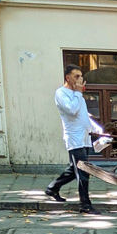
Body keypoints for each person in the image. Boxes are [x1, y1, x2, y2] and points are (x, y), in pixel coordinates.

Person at [46, 64, 103, 214]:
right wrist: (78, 93)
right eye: (76, 76)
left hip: (84, 138)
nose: (80, 79)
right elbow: (72, 110)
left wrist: (96, 128)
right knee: (83, 171)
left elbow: (83, 115)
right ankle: (85, 205)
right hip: (74, 139)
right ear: (68, 77)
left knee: (74, 169)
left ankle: (52, 188)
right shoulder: (61, 93)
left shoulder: (78, 95)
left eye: (81, 76)